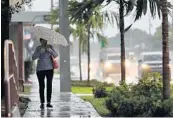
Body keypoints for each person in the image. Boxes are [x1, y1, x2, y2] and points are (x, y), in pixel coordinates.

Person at [32, 38, 58, 109]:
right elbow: (33, 57)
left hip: (49, 69)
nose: (45, 42)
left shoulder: (50, 47)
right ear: (40, 41)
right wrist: (40, 52)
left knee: (49, 85)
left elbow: (56, 55)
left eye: (46, 40)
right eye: (43, 40)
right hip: (40, 69)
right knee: (41, 86)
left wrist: (51, 51)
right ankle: (42, 102)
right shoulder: (38, 48)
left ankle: (49, 102)